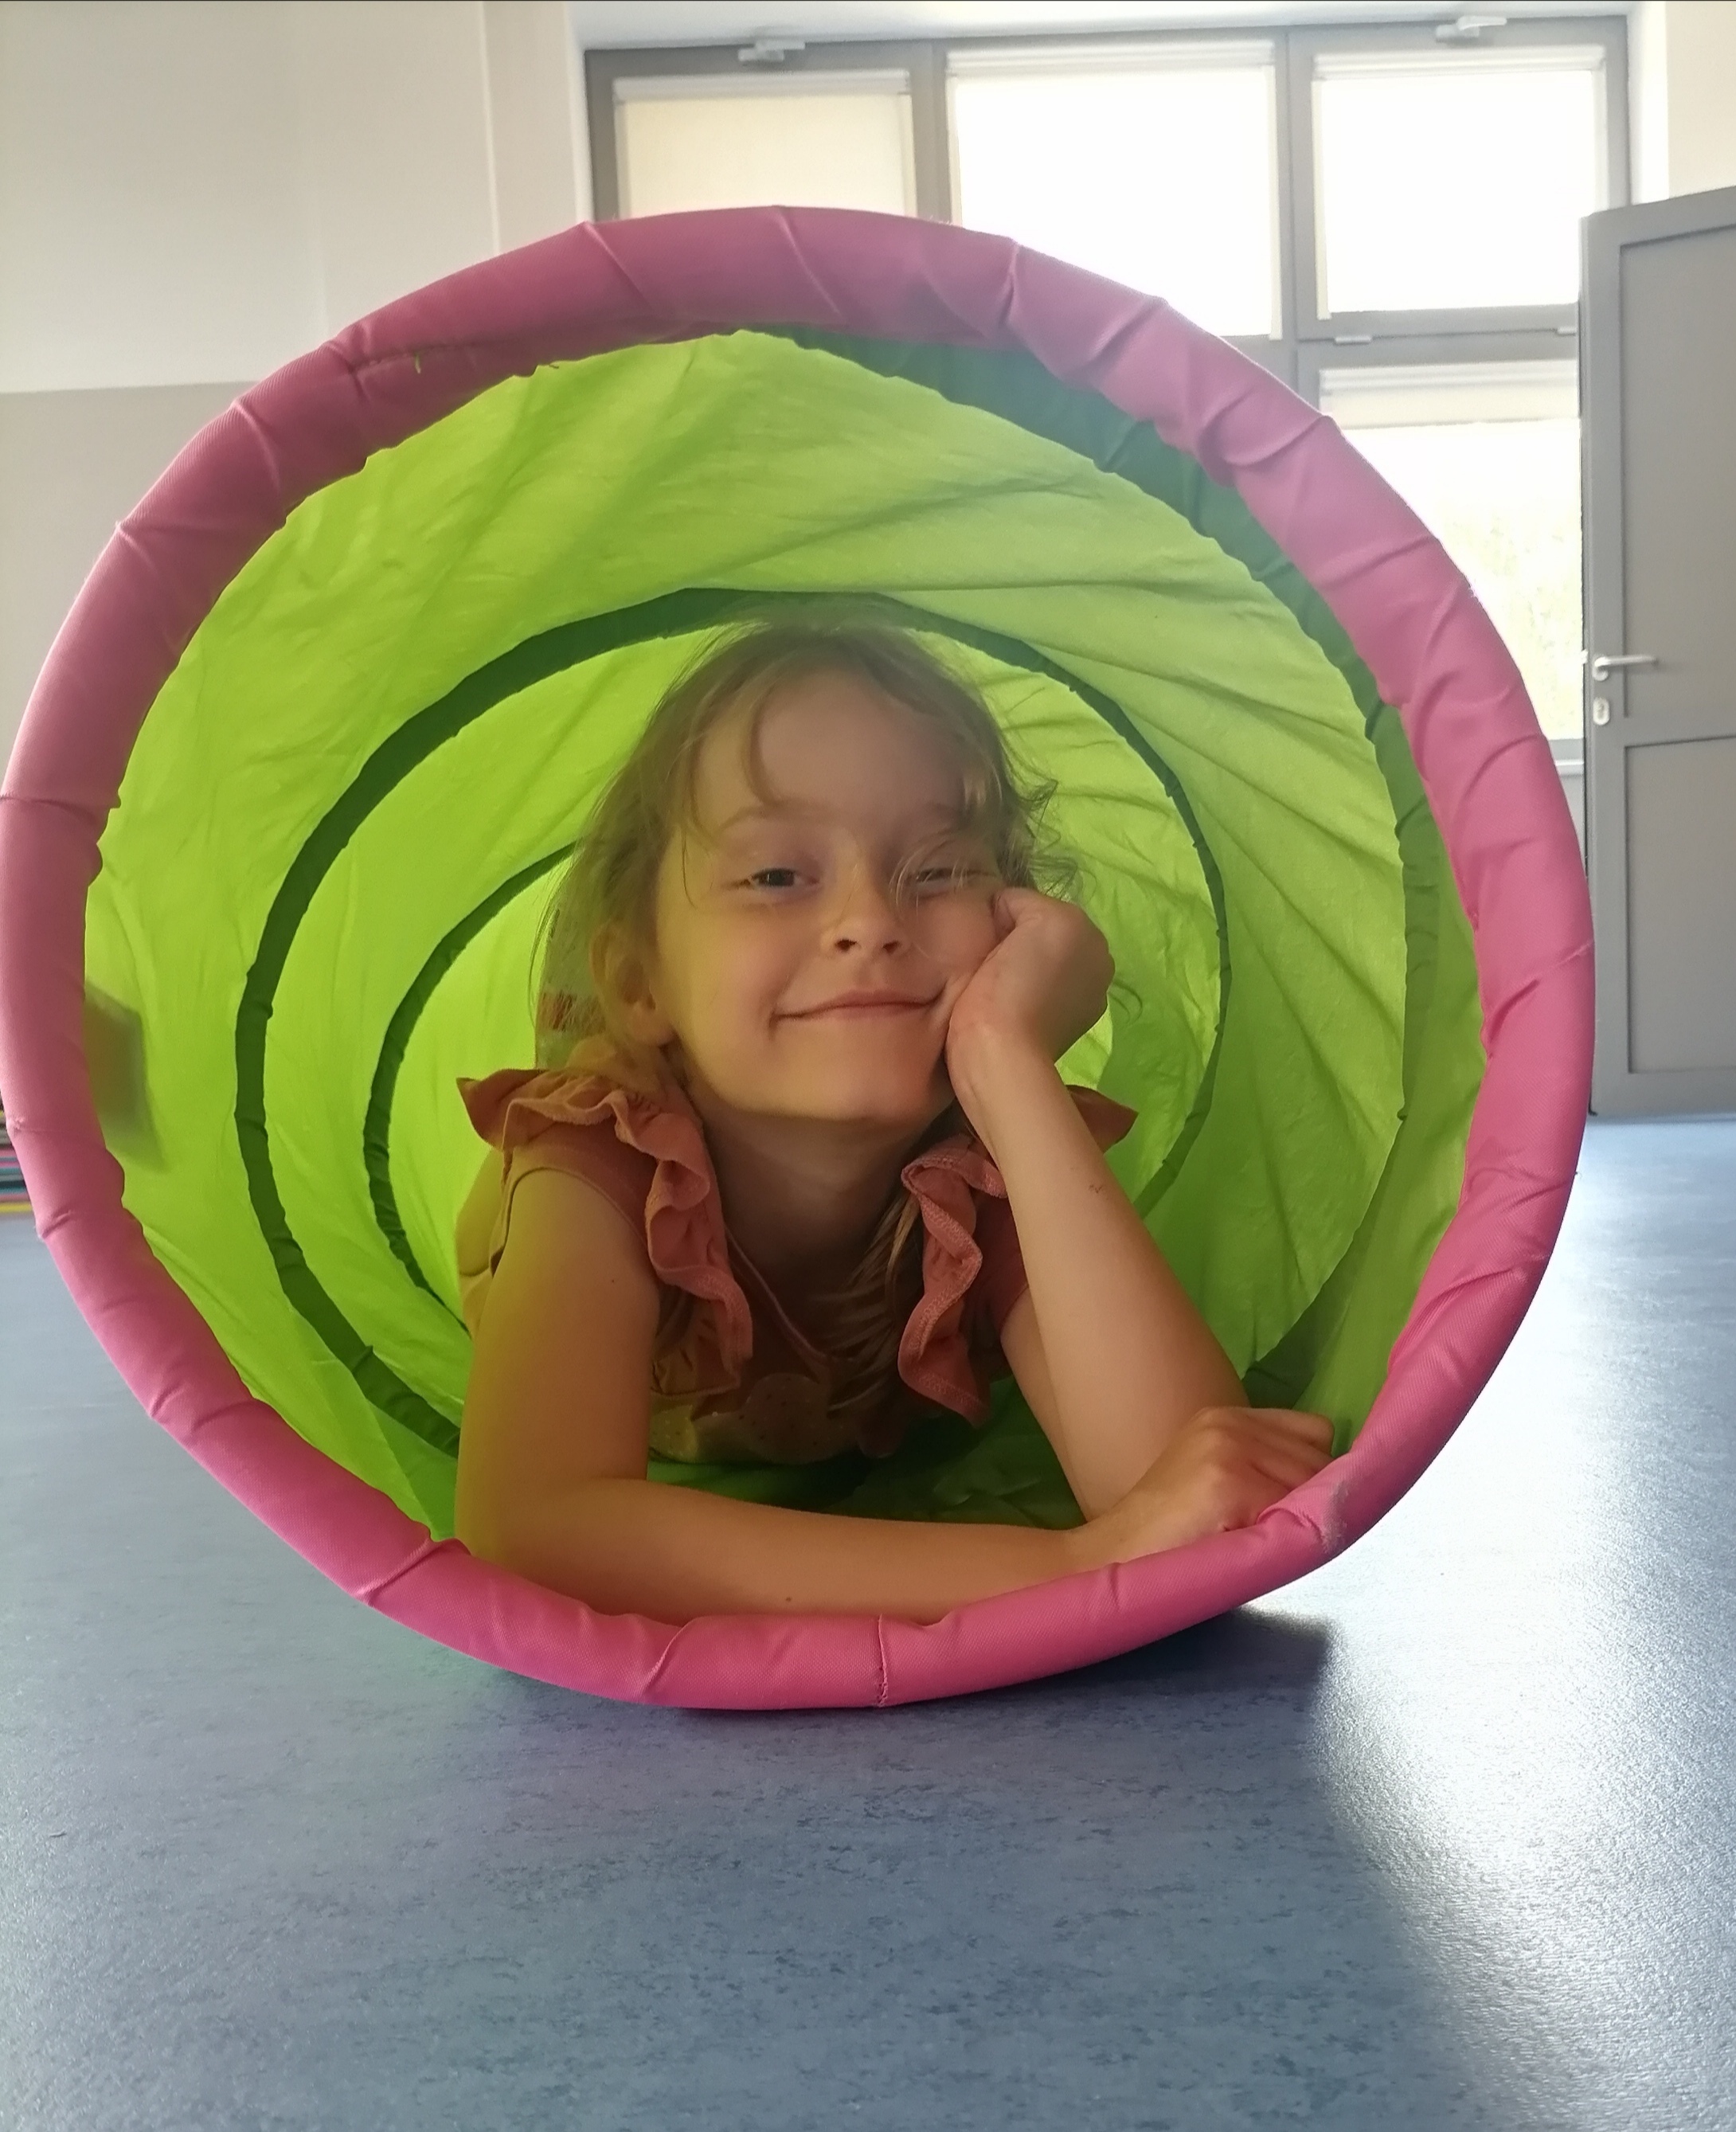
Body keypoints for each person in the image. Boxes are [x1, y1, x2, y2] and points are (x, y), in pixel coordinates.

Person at [453, 615, 1333, 1622]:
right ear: (637, 983)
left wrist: (1006, 1058)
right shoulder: (599, 1152)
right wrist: (1076, 1565)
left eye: (938, 870)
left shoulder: (980, 1161)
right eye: (775, 876)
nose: (868, 920)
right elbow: (535, 1526)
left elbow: (1196, 1489)